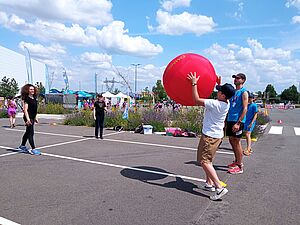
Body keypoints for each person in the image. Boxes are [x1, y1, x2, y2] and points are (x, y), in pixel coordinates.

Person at [187, 72, 235, 201]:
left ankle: (219, 187)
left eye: (219, 91)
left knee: (204, 161)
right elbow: (225, 94)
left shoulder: (215, 104)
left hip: (210, 137)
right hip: (217, 136)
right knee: (209, 160)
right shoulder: (226, 103)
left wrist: (194, 83)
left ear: (223, 95)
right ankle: (209, 184)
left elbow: (197, 100)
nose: (217, 92)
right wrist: (219, 84)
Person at [226, 73, 248, 174]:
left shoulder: (244, 92)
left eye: (237, 78)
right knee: (231, 140)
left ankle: (240, 166)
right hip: (230, 119)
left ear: (243, 80)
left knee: (237, 142)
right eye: (234, 78)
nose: (235, 79)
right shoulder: (234, 92)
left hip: (237, 121)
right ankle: (236, 161)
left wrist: (238, 123)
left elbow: (245, 108)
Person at [17, 84, 41, 155]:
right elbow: (25, 110)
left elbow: (35, 109)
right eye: (30, 89)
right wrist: (28, 119)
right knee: (31, 133)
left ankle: (22, 146)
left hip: (32, 117)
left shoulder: (34, 98)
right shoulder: (27, 99)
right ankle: (33, 149)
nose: (32, 90)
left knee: (28, 132)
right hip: (28, 117)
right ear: (27, 90)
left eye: (33, 89)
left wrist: (36, 117)